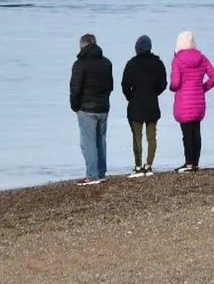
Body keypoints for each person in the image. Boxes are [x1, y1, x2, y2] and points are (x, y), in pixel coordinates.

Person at [170, 31, 214, 172]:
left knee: (186, 134)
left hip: (183, 101)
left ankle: (188, 163)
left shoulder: (177, 60)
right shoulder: (202, 58)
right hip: (198, 101)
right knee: (196, 132)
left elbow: (175, 83)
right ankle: (195, 162)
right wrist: (202, 88)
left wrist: (172, 87)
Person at [69, 33, 113, 185]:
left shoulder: (79, 64)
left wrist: (74, 106)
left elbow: (75, 89)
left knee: (88, 143)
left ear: (82, 45)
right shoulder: (106, 62)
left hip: (86, 108)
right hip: (103, 107)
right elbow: (110, 86)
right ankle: (101, 172)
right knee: (101, 140)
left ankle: (92, 175)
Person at [121, 34, 168, 177]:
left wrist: (130, 97)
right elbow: (163, 84)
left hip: (135, 105)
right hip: (152, 104)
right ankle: (149, 165)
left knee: (137, 137)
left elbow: (124, 85)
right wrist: (154, 93)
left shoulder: (131, 64)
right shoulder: (158, 63)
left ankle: (138, 166)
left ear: (136, 49)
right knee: (151, 137)